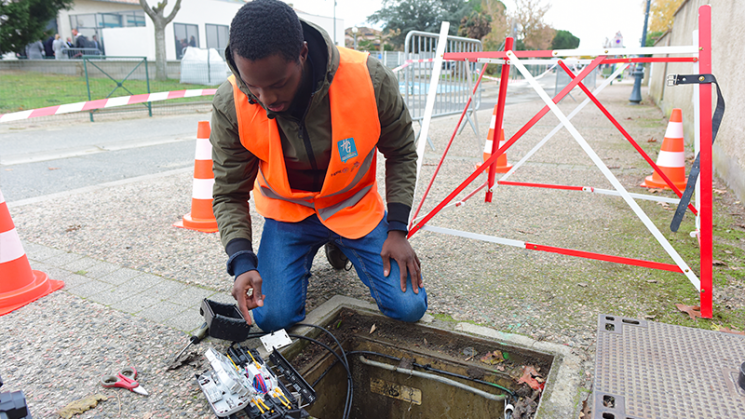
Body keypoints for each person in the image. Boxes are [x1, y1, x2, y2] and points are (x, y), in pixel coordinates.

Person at [210, 0, 427, 332]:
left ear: (302, 53)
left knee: (410, 307)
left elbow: (401, 152)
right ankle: (322, 245)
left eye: (278, 83)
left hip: (352, 209)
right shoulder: (230, 103)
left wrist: (397, 231)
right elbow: (228, 193)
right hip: (289, 215)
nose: (266, 99)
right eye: (254, 86)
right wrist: (242, 262)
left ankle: (340, 242)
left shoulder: (368, 78)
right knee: (270, 317)